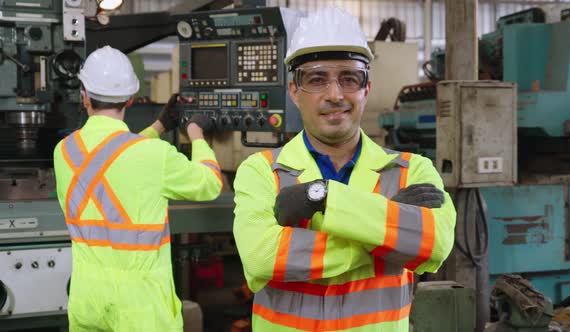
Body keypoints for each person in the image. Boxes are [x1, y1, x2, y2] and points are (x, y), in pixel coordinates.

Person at [233, 7, 456, 331]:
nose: (335, 95)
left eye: (349, 79)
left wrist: (323, 197)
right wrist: (388, 234)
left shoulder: (412, 169)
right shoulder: (262, 171)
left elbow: (435, 245)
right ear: (294, 91)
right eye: (317, 79)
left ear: (366, 88)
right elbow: (263, 257)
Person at [53, 45, 222, 331]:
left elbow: (109, 157)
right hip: (139, 304)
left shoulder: (64, 151)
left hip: (87, 296)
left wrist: (158, 126)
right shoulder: (153, 155)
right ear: (131, 99)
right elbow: (209, 184)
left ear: (84, 97)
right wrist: (196, 134)